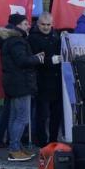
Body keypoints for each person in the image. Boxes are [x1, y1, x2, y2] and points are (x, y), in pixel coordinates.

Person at [0, 14, 43, 162]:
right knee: (22, 118)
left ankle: (15, 146)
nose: (28, 26)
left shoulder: (10, 39)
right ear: (17, 25)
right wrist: (37, 59)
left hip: (14, 82)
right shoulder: (17, 41)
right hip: (20, 84)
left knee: (14, 117)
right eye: (25, 23)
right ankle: (14, 149)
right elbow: (22, 61)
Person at [28, 14, 63, 147]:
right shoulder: (32, 38)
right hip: (41, 80)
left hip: (56, 80)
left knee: (56, 113)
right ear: (38, 24)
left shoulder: (56, 36)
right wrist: (51, 60)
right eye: (43, 24)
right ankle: (41, 140)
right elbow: (35, 58)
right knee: (42, 114)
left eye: (48, 25)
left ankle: (53, 139)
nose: (46, 27)